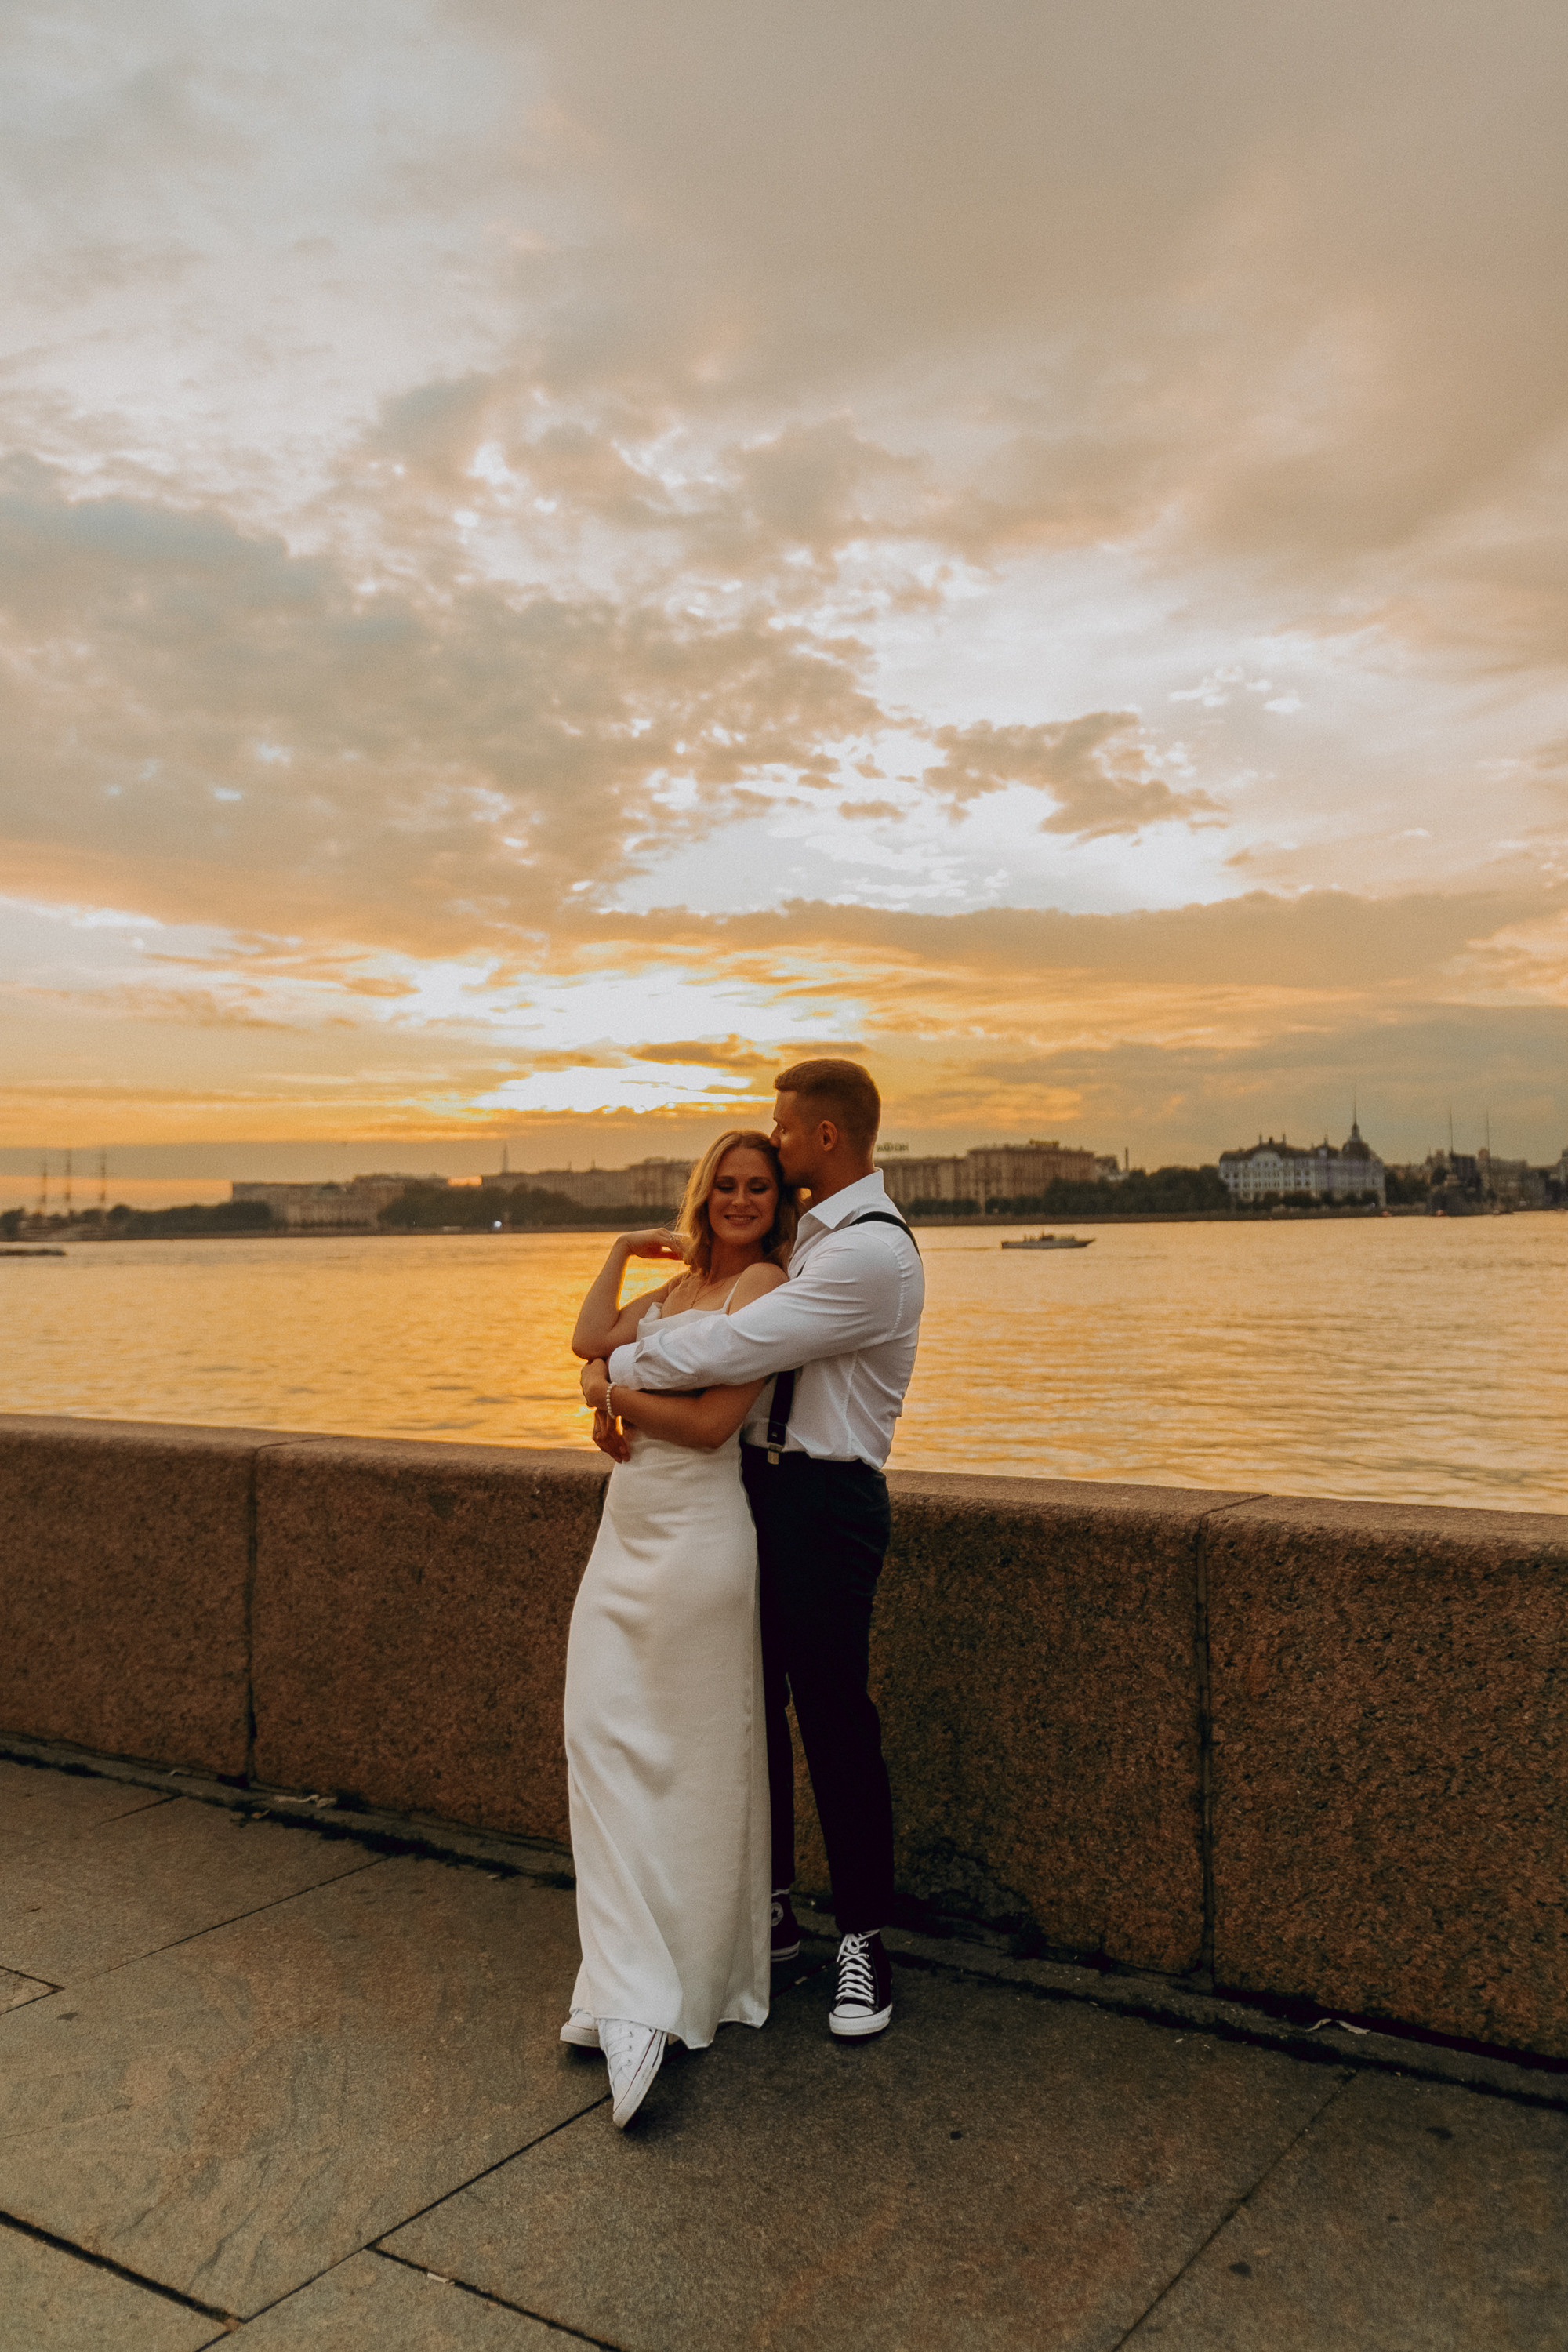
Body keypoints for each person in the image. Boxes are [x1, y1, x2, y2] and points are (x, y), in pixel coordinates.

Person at [588, 1059, 924, 2043]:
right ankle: (770, 1908)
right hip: (755, 1490)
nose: (771, 1142)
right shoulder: (811, 1238)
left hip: (825, 1500)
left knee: (832, 1717)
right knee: (749, 1708)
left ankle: (863, 1939)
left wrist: (613, 1371)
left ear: (823, 1138)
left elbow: (728, 1351)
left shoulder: (871, 1256)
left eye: (782, 1130)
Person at [562, 1130, 797, 2127]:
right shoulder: (674, 1293)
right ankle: (616, 1973)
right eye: (727, 1185)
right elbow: (586, 1339)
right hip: (625, 1534)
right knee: (599, 1737)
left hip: (702, 1539)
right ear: (702, 1196)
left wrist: (613, 1395)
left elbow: (708, 1424)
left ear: (775, 1202)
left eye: (759, 1187)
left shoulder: (767, 1289)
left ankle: (676, 1989)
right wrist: (622, 1248)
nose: (740, 1199)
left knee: (692, 1759)